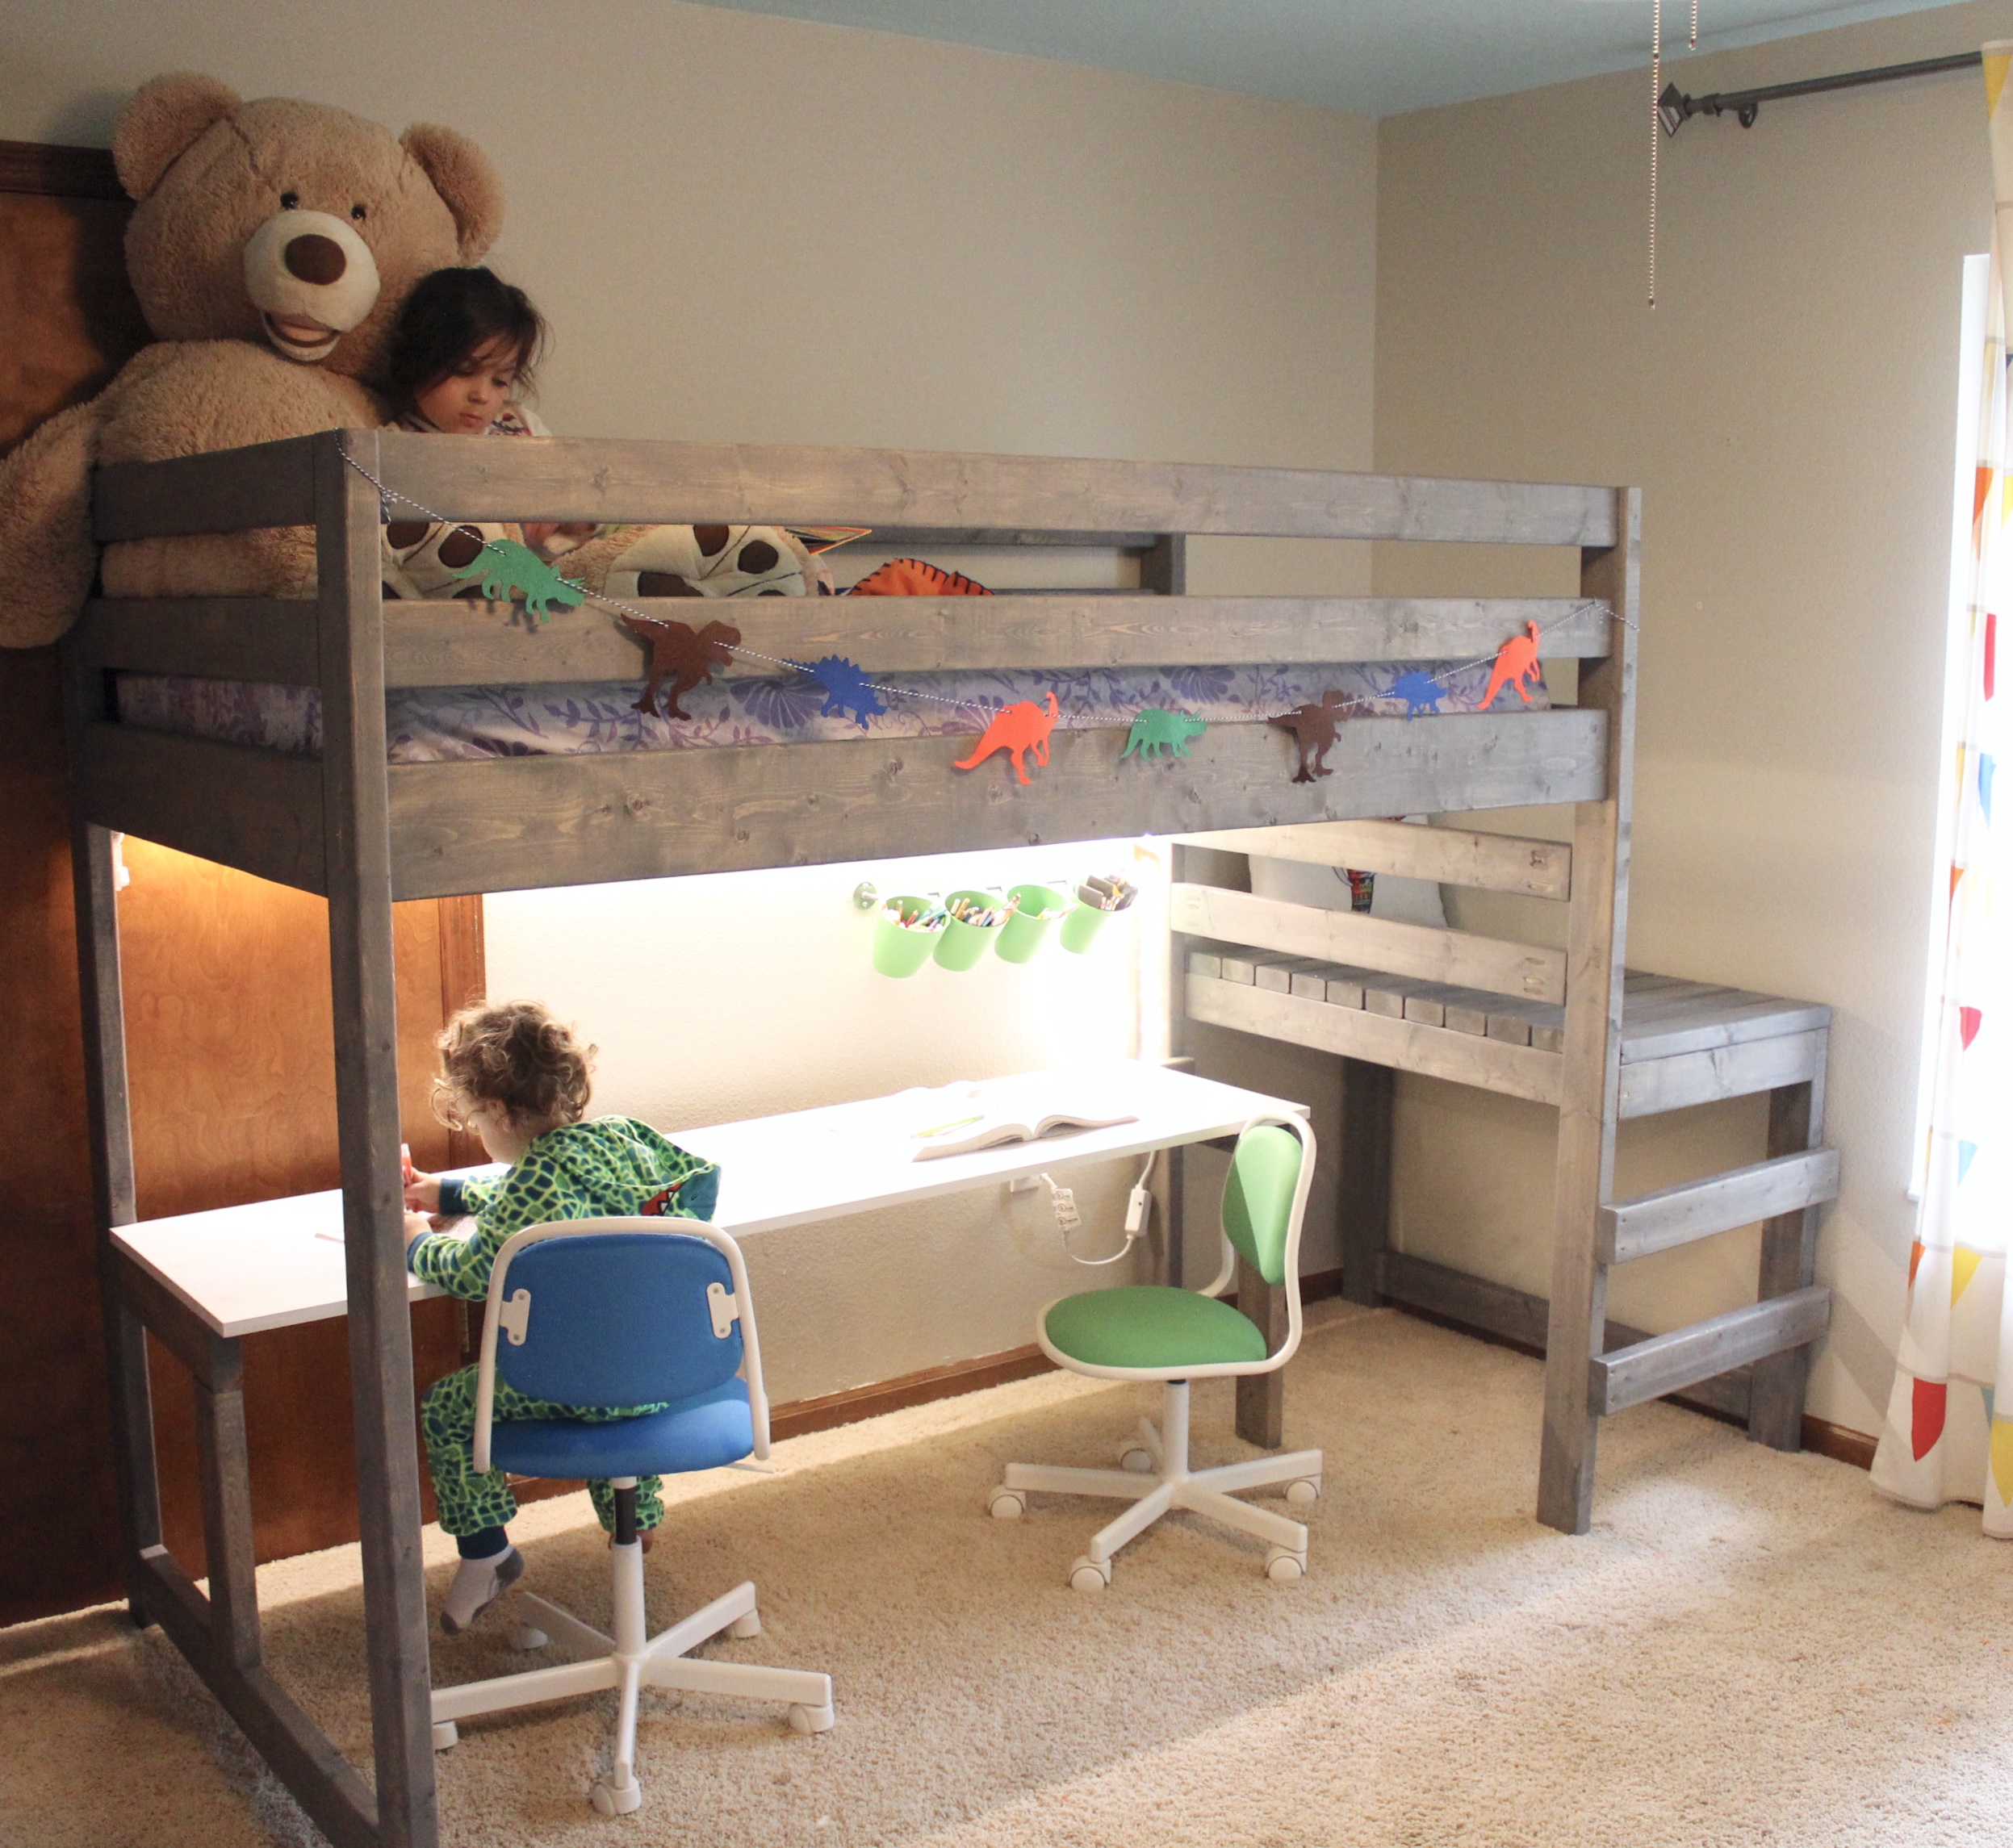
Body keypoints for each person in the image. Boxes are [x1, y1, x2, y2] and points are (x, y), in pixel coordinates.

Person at [404, 999, 721, 1634]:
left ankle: (487, 1552)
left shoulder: (534, 1186)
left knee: (448, 1407)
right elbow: (556, 1182)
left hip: (581, 1387)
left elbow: (472, 1273)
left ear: (496, 1110)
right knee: (612, 1355)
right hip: (663, 1369)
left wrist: (414, 1237)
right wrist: (452, 1191)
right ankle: (637, 1512)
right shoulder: (624, 1140)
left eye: (470, 1118)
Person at [379, 267, 588, 591]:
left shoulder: (521, 427)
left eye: (500, 380)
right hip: (463, 595)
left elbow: (572, 503)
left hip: (542, 580)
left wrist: (565, 517)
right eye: (464, 371)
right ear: (418, 358)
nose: (482, 395)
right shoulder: (394, 449)